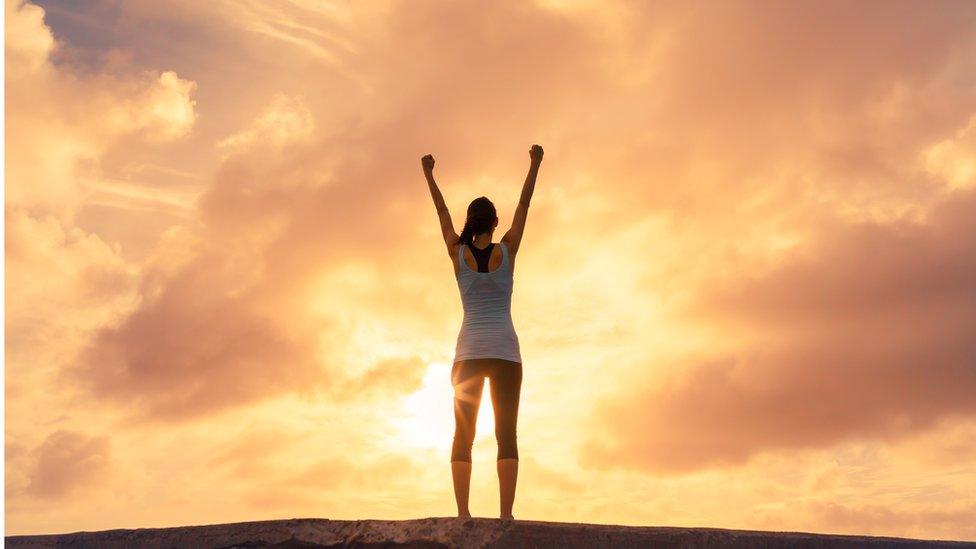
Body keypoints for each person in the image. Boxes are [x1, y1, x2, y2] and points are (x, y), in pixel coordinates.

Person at [421, 144, 544, 521]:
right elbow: (525, 205)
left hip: (468, 354)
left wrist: (429, 174)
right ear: (493, 223)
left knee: (464, 434)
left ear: (470, 222)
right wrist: (535, 163)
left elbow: (441, 213)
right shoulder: (506, 249)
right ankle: (506, 516)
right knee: (507, 434)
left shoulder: (456, 253)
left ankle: (463, 515)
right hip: (506, 353)